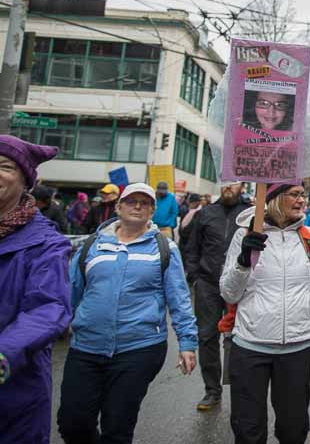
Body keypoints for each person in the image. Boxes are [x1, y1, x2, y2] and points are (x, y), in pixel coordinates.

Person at [58, 182, 197, 443]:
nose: (137, 207)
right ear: (118, 207)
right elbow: (69, 292)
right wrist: (55, 328)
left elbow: (179, 299)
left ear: (152, 211)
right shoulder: (92, 245)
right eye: (131, 201)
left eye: (145, 203)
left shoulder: (165, 248)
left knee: (117, 427)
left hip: (139, 349)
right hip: (86, 347)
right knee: (72, 423)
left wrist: (187, 343)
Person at [220, 182, 310, 444]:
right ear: (273, 198)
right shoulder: (245, 234)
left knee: (293, 431)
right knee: (248, 431)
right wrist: (242, 262)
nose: (302, 200)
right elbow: (229, 294)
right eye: (294, 194)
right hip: (250, 347)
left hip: (296, 349)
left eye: (303, 195)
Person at [0, 136, 73, 443]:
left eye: (5, 166)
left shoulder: (47, 244)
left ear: (25, 181)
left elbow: (48, 307)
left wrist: (4, 353)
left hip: (14, 397)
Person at [183, 181, 250, 411]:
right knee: (206, 336)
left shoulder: (249, 213)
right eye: (225, 182)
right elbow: (192, 247)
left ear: (242, 186)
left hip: (238, 285)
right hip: (208, 284)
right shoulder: (206, 213)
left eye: (234, 183)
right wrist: (195, 276)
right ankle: (212, 390)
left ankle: (242, 392)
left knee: (239, 339)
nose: (228, 187)